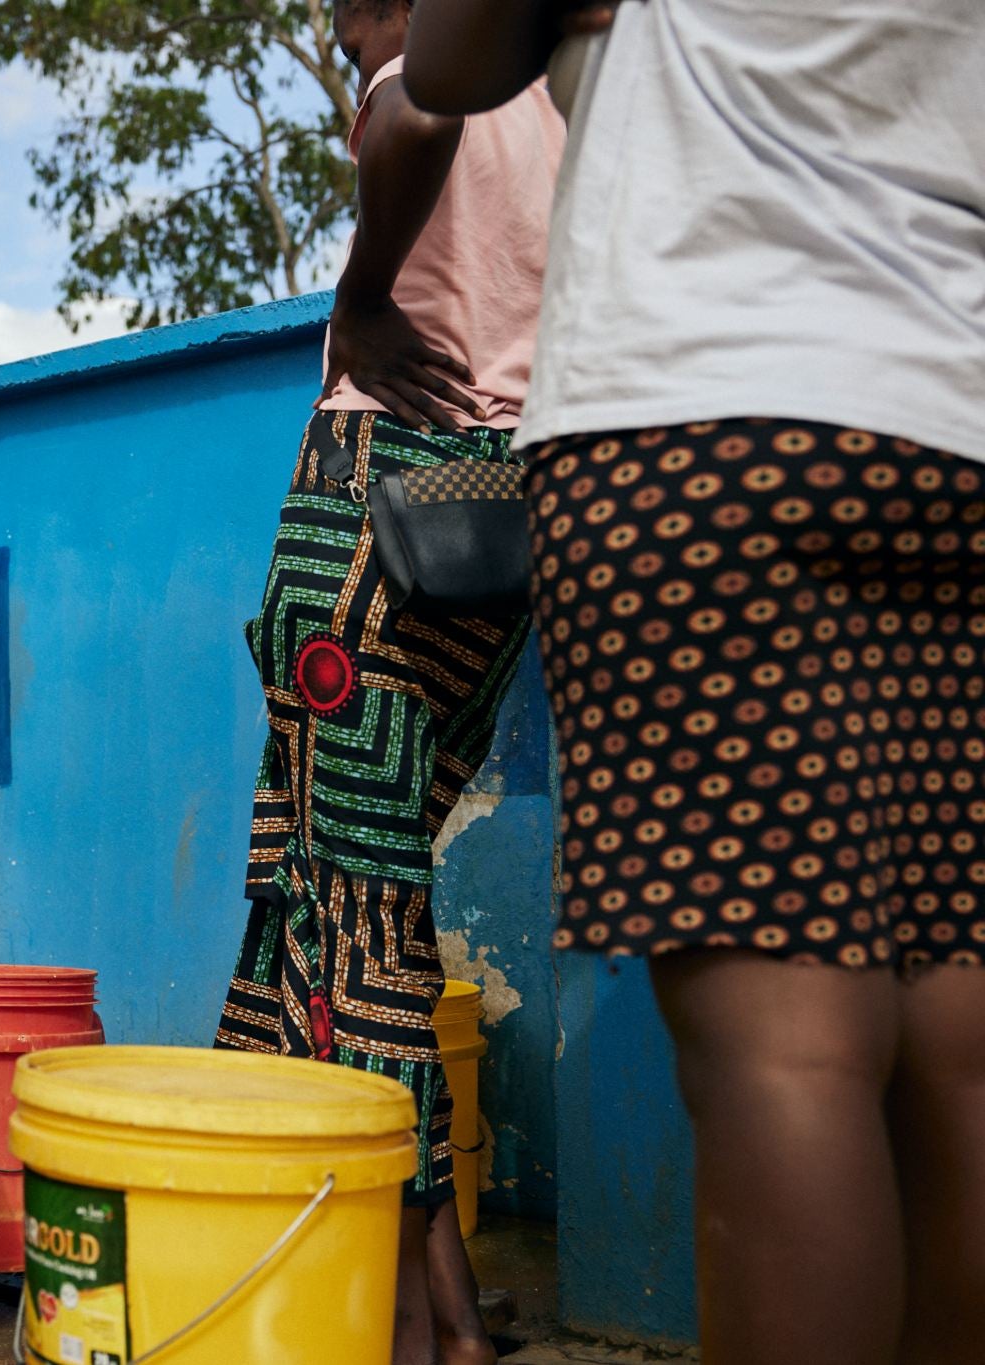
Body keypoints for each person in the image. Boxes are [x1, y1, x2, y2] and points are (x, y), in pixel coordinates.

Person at [400, 4, 985, 1363]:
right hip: (959, 421)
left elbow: (449, 58)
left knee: (789, 1054)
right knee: (963, 1047)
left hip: (710, 398)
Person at [210, 3, 563, 1361]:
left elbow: (411, 107)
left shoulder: (420, 74)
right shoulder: (561, 108)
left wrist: (360, 303)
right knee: (323, 895)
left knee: (357, 928)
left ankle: (425, 1327)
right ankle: (382, 1276)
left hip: (369, 517)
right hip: (495, 536)